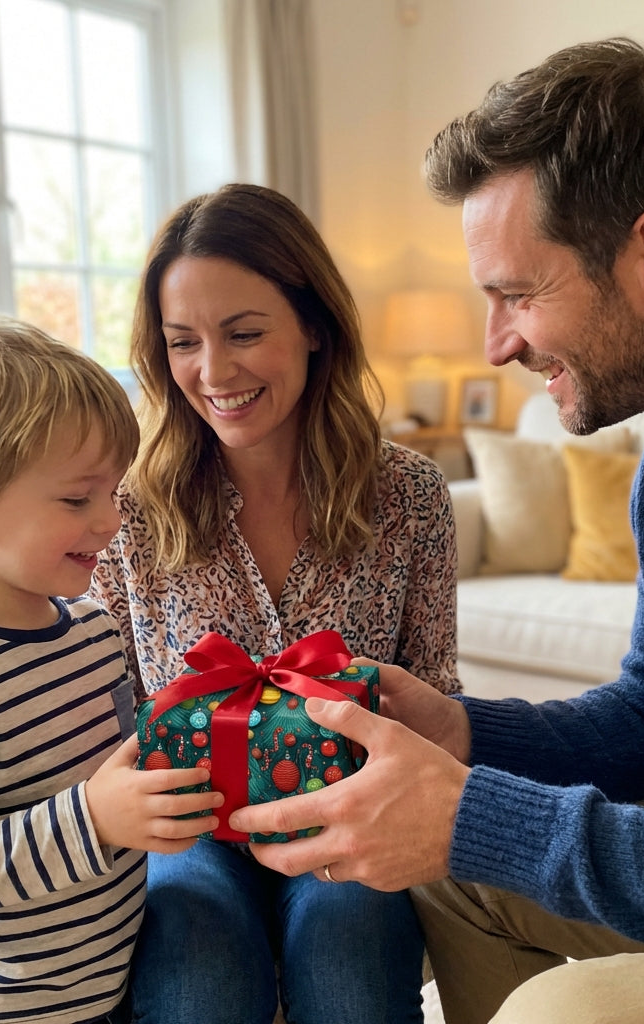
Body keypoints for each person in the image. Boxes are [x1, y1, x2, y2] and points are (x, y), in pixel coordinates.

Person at [226, 37, 644, 1024]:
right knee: (454, 875)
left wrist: (469, 812)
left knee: (558, 1006)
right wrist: (463, 734)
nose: (498, 343)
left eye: (518, 294)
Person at [88, 182, 460, 1024]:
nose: (213, 373)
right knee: (197, 958)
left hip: (352, 817)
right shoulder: (131, 509)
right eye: (183, 342)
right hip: (187, 825)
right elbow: (110, 707)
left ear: (314, 325)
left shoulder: (408, 495)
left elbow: (439, 698)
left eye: (245, 333)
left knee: (350, 947)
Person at [0, 317, 222, 1024]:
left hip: (105, 984)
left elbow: (112, 763)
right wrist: (93, 818)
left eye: (113, 494)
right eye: (77, 499)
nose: (110, 522)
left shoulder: (91, 629)